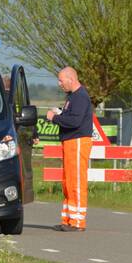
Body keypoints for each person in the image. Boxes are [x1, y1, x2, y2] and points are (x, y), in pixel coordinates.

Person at [46, 66, 93, 231]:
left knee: (76, 182)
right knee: (68, 182)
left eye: (61, 80)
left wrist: (55, 118)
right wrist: (60, 113)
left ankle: (78, 222)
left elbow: (75, 122)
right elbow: (70, 117)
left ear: (71, 79)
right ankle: (68, 219)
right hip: (70, 142)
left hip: (78, 142)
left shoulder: (80, 96)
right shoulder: (72, 97)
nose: (59, 84)